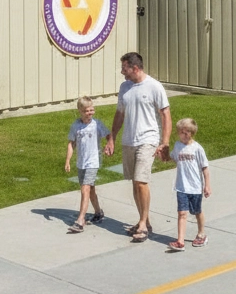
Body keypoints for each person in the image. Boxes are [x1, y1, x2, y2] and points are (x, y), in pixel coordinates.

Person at [104, 51, 171, 243]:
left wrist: (164, 143)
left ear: (135, 68)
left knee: (141, 181)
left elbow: (165, 115)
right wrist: (112, 138)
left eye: (125, 69)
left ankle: (142, 223)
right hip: (128, 140)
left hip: (147, 139)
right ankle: (145, 221)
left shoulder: (154, 86)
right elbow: (119, 114)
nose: (122, 73)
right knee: (135, 182)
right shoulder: (124, 87)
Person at [64, 96, 111, 233]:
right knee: (91, 190)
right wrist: (67, 161)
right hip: (81, 163)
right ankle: (98, 212)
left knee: (85, 189)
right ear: (80, 111)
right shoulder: (76, 126)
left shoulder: (97, 124)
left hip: (93, 161)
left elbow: (108, 135)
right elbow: (71, 143)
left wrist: (109, 145)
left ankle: (80, 221)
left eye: (92, 110)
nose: (90, 113)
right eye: (86, 111)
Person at [166, 117, 211, 251]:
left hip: (195, 187)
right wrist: (163, 155)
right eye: (180, 132)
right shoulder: (177, 146)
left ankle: (201, 233)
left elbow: (205, 168)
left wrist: (207, 185)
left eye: (185, 133)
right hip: (181, 187)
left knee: (197, 211)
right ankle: (180, 241)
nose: (182, 135)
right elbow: (172, 158)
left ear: (191, 133)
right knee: (182, 213)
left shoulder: (197, 149)